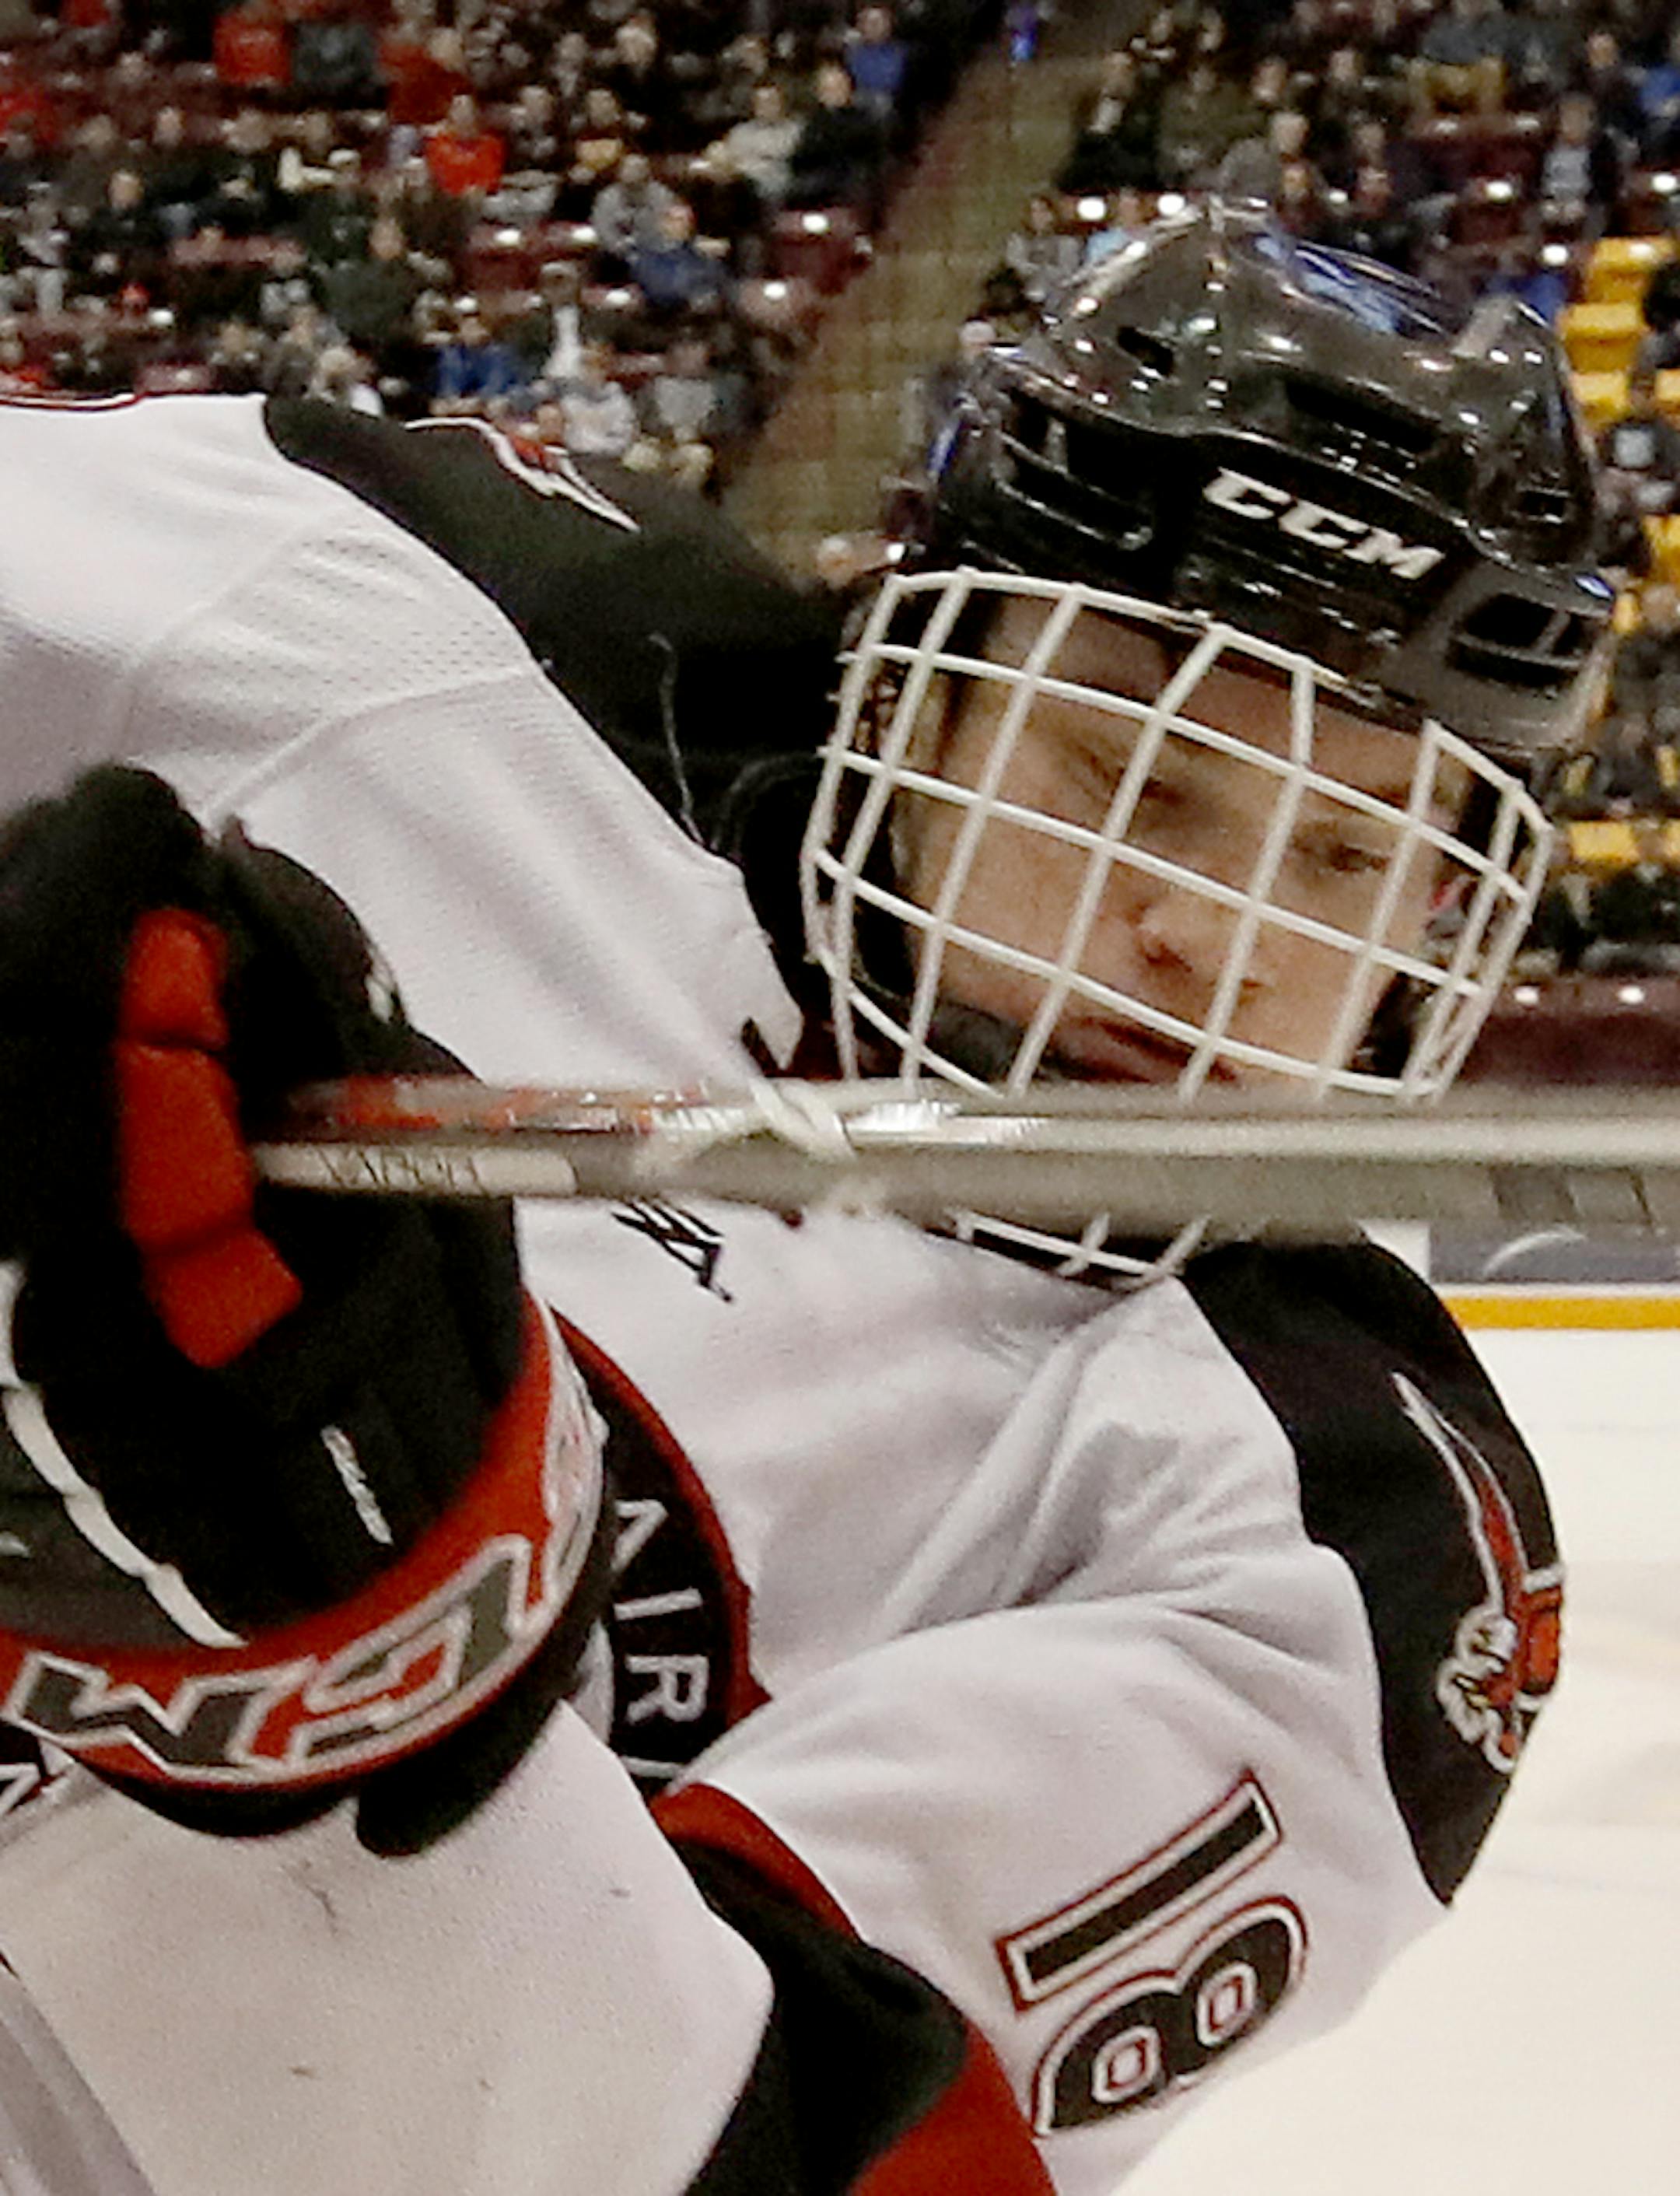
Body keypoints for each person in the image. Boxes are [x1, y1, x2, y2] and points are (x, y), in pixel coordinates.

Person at [0, 208, 1607, 2193]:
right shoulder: (440, 613)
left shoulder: (1350, 1542)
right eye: (1126, 767)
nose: (1207, 929)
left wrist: (349, 1677)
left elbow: (720, 2156)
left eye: (1347, 853)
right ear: (920, 692)